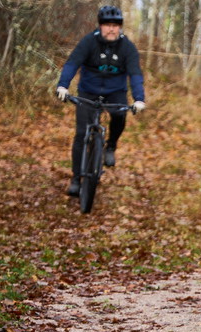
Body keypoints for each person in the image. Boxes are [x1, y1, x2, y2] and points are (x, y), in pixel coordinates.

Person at [55, 5, 146, 197]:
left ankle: (111, 145)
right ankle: (76, 178)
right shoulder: (89, 42)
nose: (111, 29)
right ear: (100, 26)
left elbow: (135, 74)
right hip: (88, 91)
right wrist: (63, 85)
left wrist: (139, 99)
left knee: (120, 115)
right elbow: (73, 62)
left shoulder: (127, 48)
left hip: (115, 92)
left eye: (115, 25)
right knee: (81, 134)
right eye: (107, 25)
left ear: (120, 27)